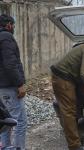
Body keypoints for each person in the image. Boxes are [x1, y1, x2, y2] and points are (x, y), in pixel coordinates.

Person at [0, 14, 27, 150]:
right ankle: (18, 148)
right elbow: (10, 64)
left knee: (5, 120)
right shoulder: (6, 37)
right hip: (9, 86)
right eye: (13, 25)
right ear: (9, 24)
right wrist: (20, 84)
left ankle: (5, 147)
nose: (14, 27)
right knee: (19, 121)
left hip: (1, 87)